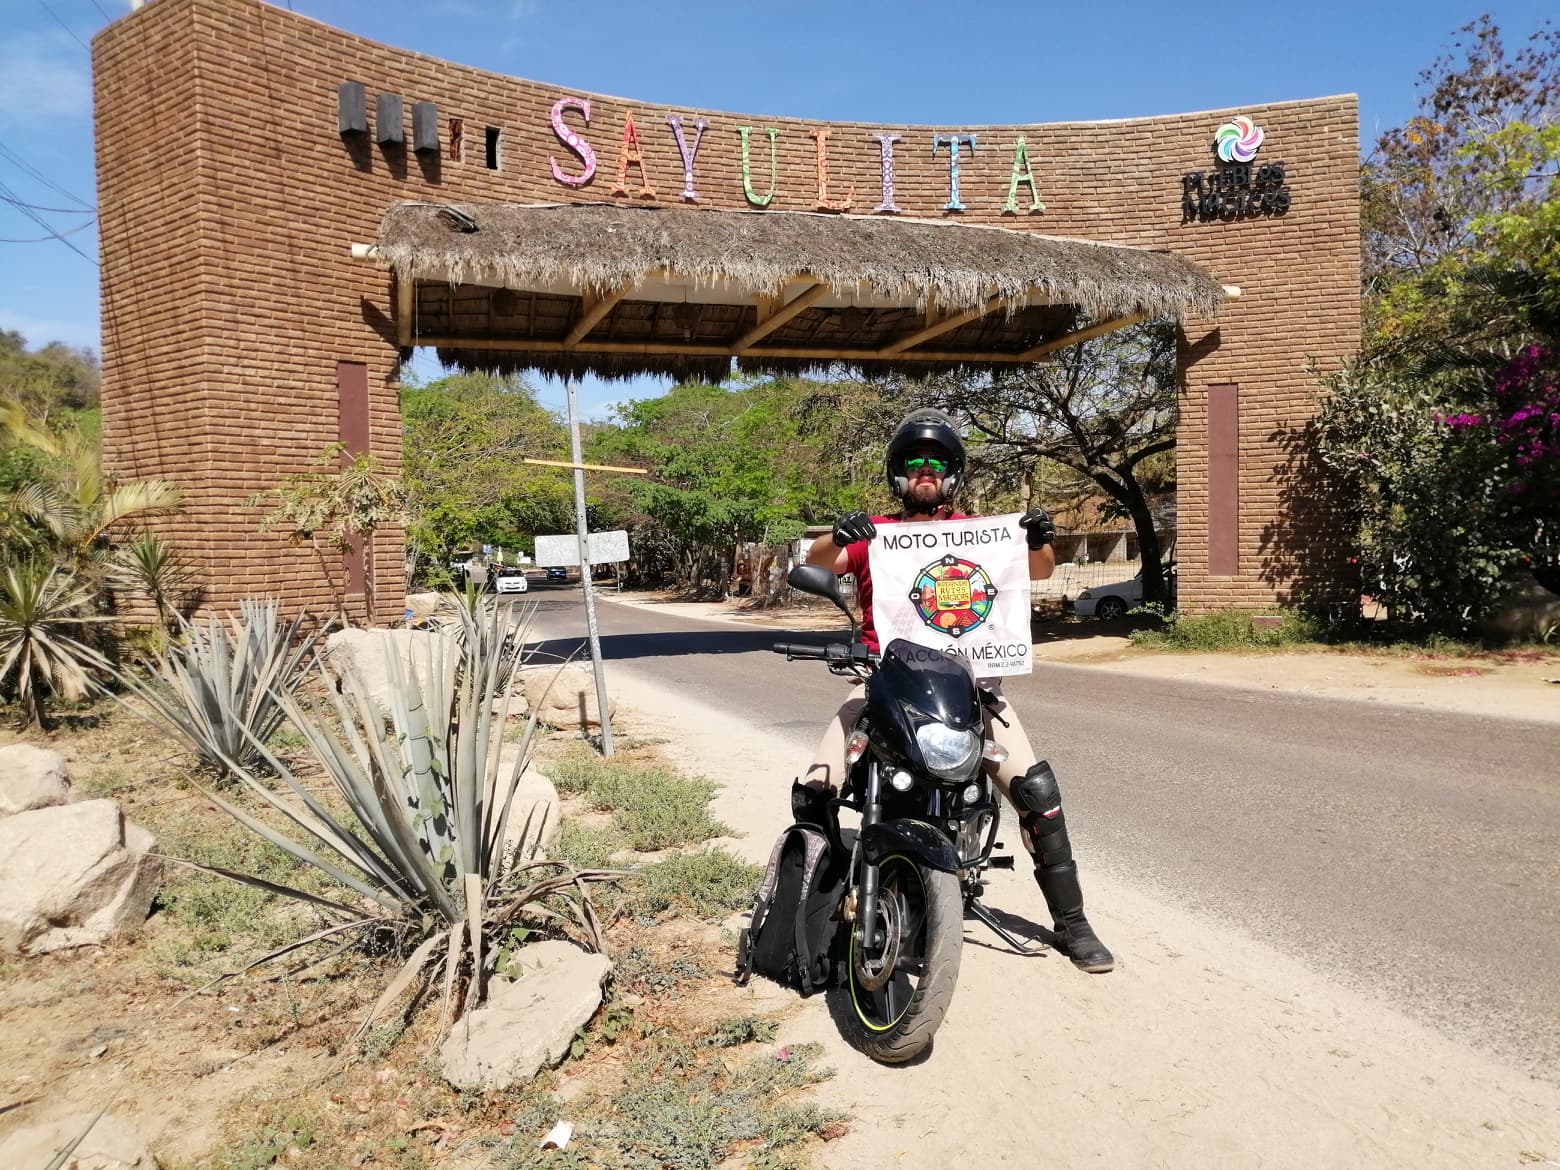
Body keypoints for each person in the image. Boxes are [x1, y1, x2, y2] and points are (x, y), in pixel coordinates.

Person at [796, 407, 1114, 973]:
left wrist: (1041, 538)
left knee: (1038, 793)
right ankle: (821, 905)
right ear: (898, 473)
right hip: (880, 685)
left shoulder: (980, 534)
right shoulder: (876, 536)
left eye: (936, 463)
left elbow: (1038, 571)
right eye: (915, 462)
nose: (925, 470)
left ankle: (1073, 923)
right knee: (818, 784)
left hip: (972, 691)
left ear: (952, 475)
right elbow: (821, 559)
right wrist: (834, 536)